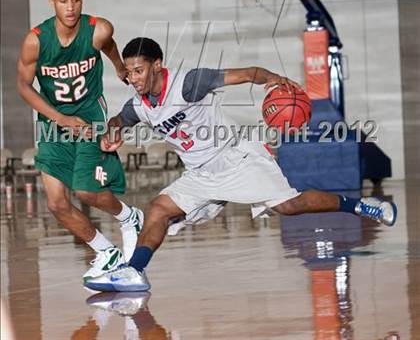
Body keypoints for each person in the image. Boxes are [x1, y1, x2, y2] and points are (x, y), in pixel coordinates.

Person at [84, 37, 397, 292]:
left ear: (157, 65)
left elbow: (247, 73)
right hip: (200, 174)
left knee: (290, 206)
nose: (133, 78)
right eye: (128, 72)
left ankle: (363, 207)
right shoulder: (139, 104)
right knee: (157, 209)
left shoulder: (189, 83)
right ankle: (134, 273)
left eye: (138, 71)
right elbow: (120, 119)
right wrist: (112, 133)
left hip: (235, 159)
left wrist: (275, 80)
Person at [17, 0, 143, 281]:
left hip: (90, 117)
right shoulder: (36, 40)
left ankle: (129, 217)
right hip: (53, 123)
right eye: (63, 1)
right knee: (57, 203)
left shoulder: (97, 29)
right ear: (52, 2)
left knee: (86, 191)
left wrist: (115, 65)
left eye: (76, 0)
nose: (70, 7)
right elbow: (22, 85)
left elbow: (109, 45)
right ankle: (105, 251)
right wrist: (59, 119)